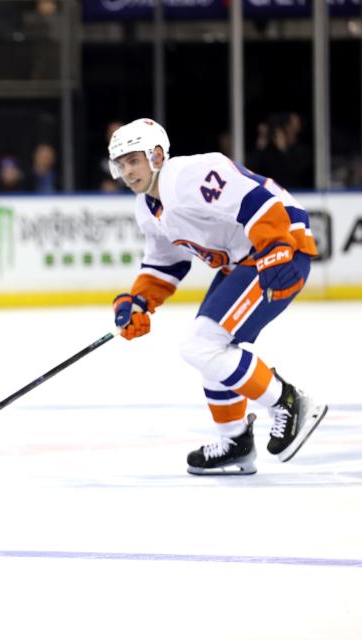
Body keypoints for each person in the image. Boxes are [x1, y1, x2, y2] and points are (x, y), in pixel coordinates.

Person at [108, 118, 328, 475]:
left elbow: (255, 200)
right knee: (208, 345)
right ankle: (236, 441)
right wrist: (138, 301)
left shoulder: (188, 176)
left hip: (278, 249)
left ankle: (287, 402)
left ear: (157, 155)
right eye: (121, 164)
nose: (127, 171)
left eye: (134, 160)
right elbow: (164, 264)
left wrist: (276, 248)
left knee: (202, 345)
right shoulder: (147, 207)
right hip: (247, 258)